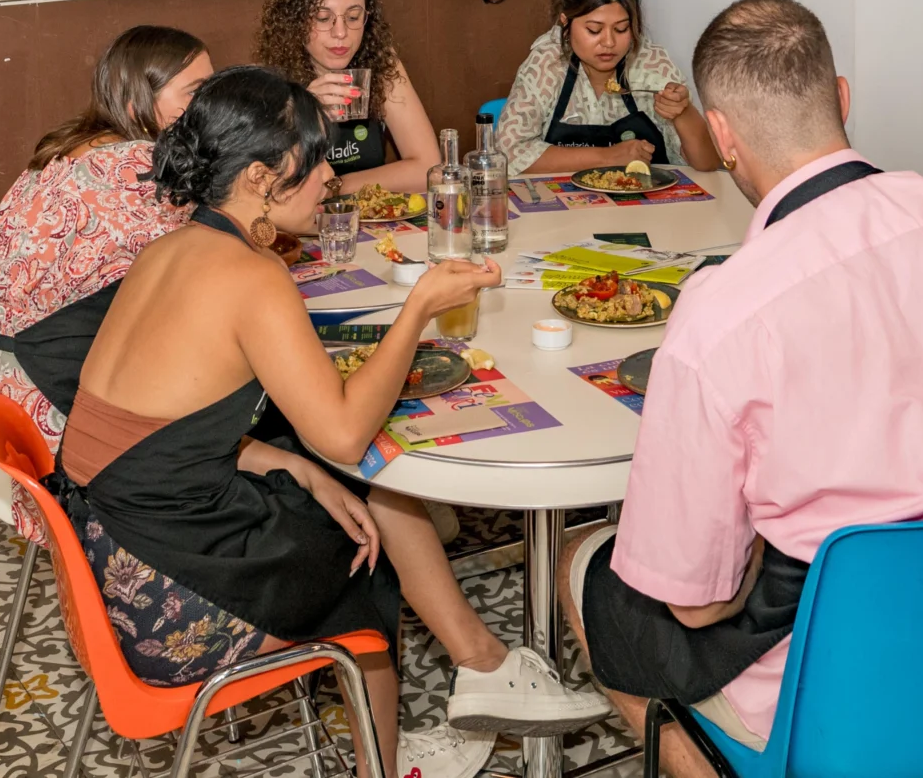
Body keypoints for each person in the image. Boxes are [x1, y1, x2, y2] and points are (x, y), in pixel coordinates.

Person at [562, 0, 923, 773]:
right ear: (841, 97)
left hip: (847, 707)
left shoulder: (724, 312)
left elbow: (695, 600)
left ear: (724, 136)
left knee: (587, 566)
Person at [61, 66, 606, 778]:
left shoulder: (167, 250)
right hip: (163, 598)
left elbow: (145, 426)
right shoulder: (253, 277)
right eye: (314, 161)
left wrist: (284, 461)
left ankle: (435, 706)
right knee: (364, 561)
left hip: (106, 550)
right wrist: (418, 310)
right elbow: (347, 432)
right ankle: (386, 761)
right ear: (260, 176)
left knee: (334, 497)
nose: (331, 178)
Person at [0, 26, 214, 449]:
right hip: (32, 399)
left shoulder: (76, 143)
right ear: (137, 105)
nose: (209, 107)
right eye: (195, 94)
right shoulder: (134, 168)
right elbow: (212, 253)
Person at [489, 0, 715, 177]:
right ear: (565, 23)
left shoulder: (652, 63)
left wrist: (684, 113)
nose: (609, 43)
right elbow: (507, 154)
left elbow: (707, 163)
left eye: (621, 29)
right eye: (594, 30)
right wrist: (609, 156)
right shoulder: (547, 62)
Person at [255, 0, 433, 194]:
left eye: (352, 16)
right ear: (295, 21)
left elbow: (429, 169)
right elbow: (268, 188)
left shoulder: (381, 64)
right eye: (322, 17)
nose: (340, 33)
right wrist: (302, 114)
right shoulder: (272, 83)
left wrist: (334, 188)